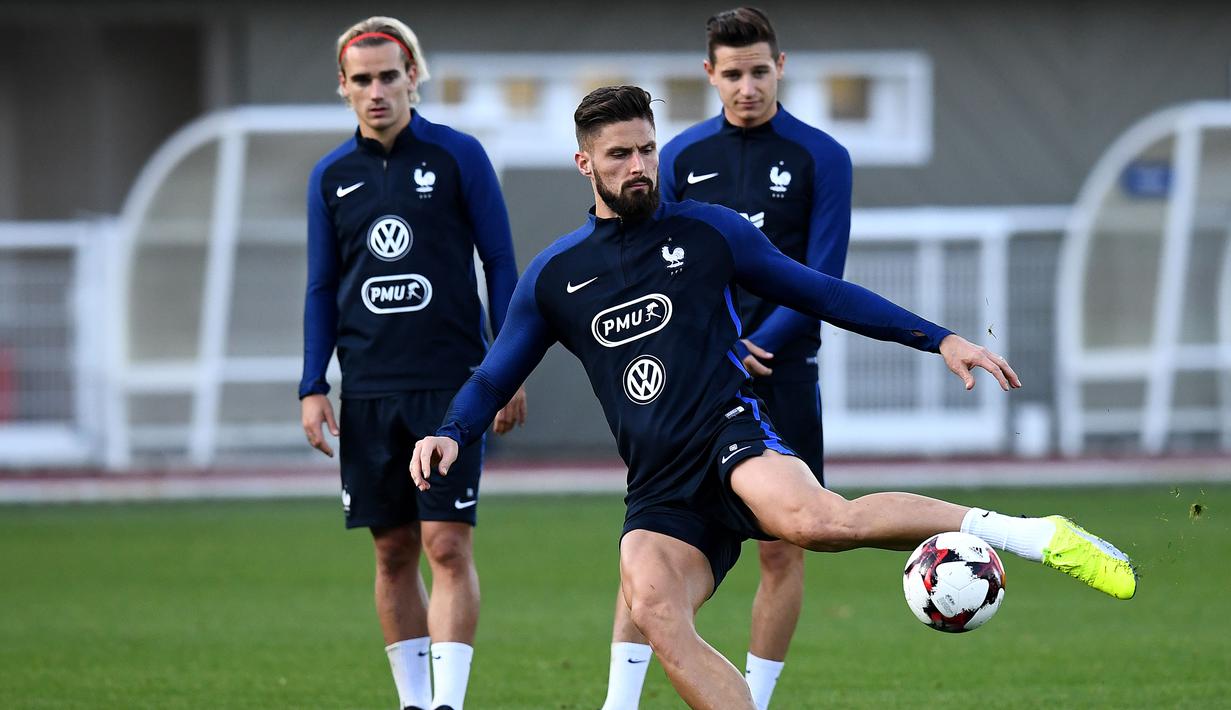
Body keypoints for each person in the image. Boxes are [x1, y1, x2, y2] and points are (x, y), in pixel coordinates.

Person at [409, 85, 1137, 710]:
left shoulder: (708, 231)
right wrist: (452, 430)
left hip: (730, 438)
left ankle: (1036, 535)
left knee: (817, 523)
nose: (637, 167)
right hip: (658, 487)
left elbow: (822, 291)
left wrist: (939, 338)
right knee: (655, 608)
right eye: (618, 155)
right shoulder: (554, 276)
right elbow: (491, 375)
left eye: (646, 150)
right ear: (584, 164)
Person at [602, 9, 851, 708]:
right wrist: (714, 349)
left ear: (781, 67)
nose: (747, 86)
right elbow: (657, 266)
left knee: (785, 545)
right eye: (732, 73)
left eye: (759, 71)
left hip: (785, 375)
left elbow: (821, 276)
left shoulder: (820, 157)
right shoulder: (678, 157)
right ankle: (617, 702)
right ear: (710, 74)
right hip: (695, 382)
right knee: (650, 539)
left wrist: (761, 343)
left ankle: (757, 699)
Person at [298, 16, 526, 710]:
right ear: (343, 87)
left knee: (447, 546)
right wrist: (313, 384)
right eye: (361, 80)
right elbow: (319, 286)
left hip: (450, 386)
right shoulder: (331, 177)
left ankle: (448, 704)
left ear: (412, 78)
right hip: (367, 388)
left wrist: (508, 367)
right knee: (391, 551)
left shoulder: (459, 157)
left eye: (388, 77)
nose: (376, 92)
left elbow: (500, 262)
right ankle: (413, 701)